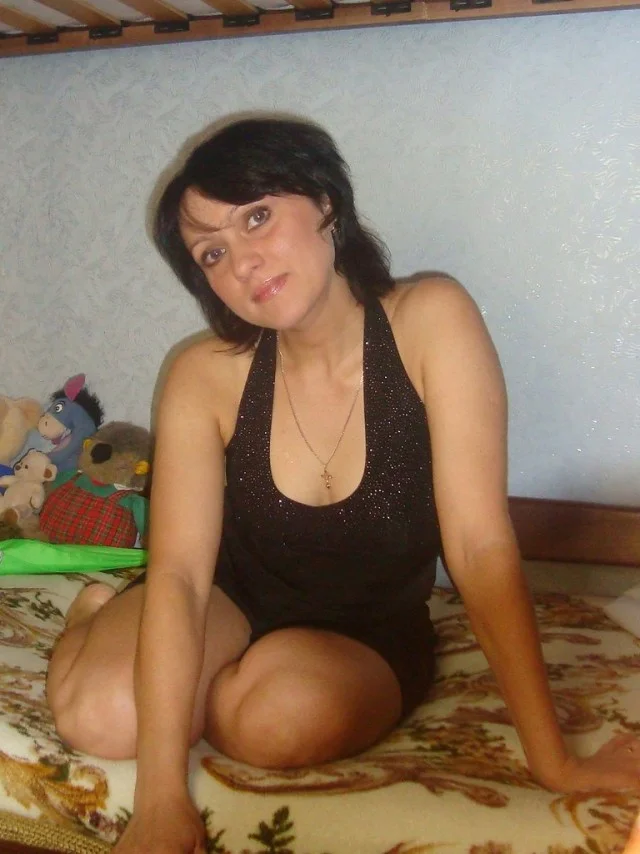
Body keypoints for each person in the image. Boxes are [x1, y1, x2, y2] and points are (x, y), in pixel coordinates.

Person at [45, 117, 640, 854]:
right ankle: (92, 619)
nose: (243, 262)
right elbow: (180, 579)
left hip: (367, 632)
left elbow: (480, 548)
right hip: (231, 599)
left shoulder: (430, 321)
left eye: (257, 217)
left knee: (274, 722)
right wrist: (162, 799)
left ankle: (204, 680)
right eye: (213, 253)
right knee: (100, 717)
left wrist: (555, 762)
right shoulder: (203, 374)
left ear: (325, 200)